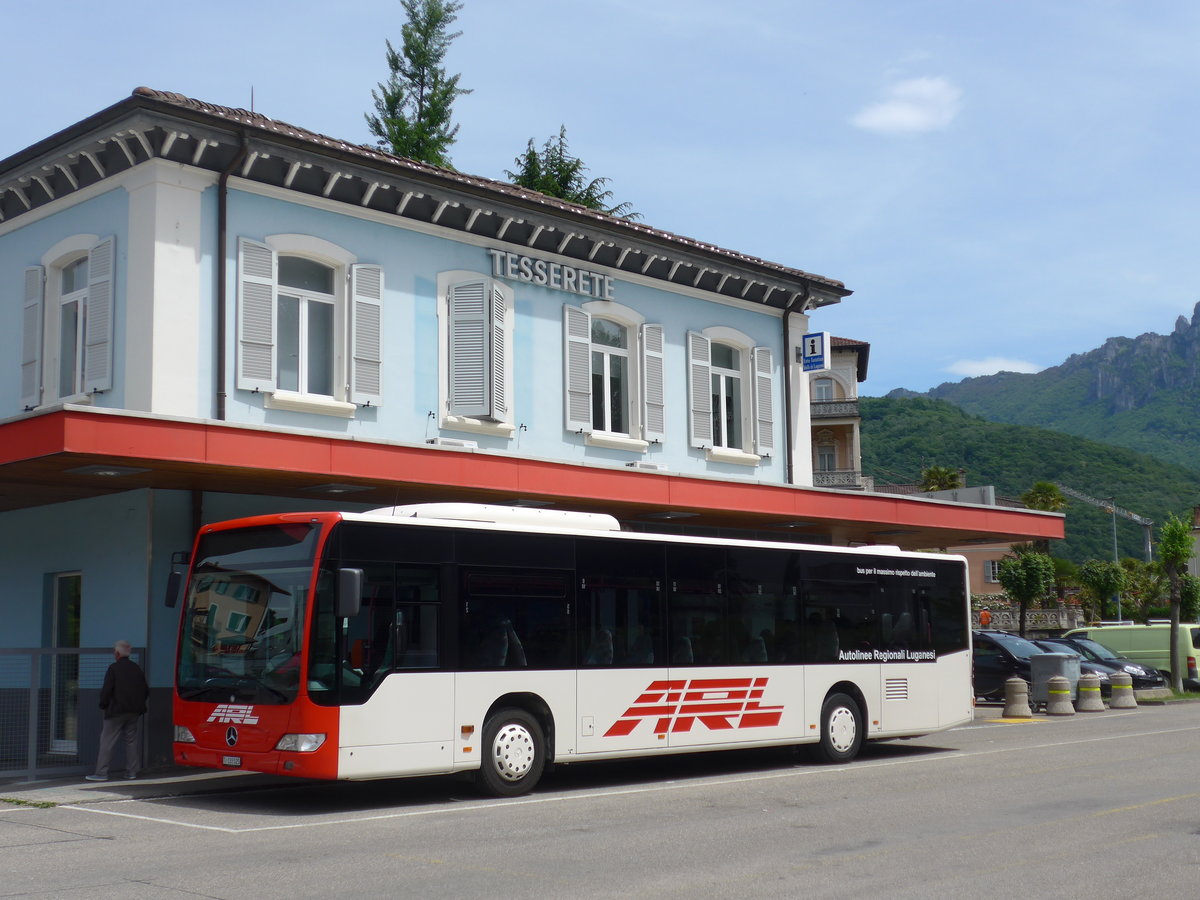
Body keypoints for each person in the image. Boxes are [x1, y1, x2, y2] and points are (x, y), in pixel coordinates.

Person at [85, 640, 149, 782]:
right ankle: (131, 772)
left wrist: (103, 705)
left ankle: (101, 773)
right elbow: (145, 690)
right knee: (131, 741)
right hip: (134, 711)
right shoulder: (136, 668)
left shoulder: (113, 668)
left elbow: (107, 690)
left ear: (117, 653)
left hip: (116, 711)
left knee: (107, 741)